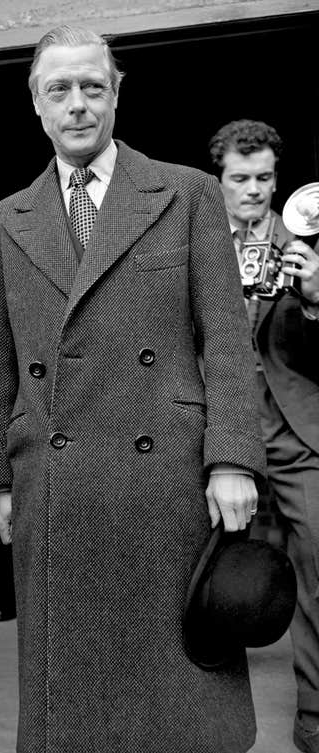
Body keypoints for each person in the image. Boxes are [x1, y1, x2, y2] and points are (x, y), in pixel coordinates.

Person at [0, 25, 266, 753]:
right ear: (36, 105)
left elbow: (226, 339)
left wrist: (232, 458)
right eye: (59, 90)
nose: (78, 105)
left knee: (176, 695)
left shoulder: (188, 194)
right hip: (57, 481)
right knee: (74, 707)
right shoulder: (3, 222)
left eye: (92, 88)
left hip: (163, 476)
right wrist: (2, 480)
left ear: (116, 95)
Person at [209, 119, 319, 753]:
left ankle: (315, 718)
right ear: (218, 179)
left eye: (265, 178)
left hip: (297, 427)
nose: (254, 191)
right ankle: (204, 715)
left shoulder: (308, 238)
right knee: (204, 575)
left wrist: (314, 298)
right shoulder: (193, 241)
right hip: (220, 430)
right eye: (240, 179)